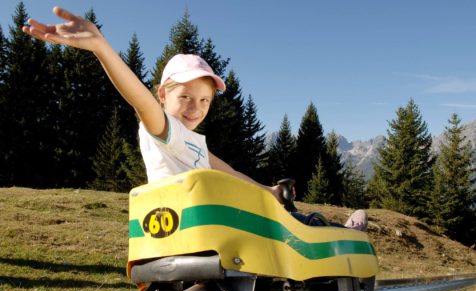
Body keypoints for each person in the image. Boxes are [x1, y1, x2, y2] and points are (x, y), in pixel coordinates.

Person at [22, 7, 367, 232]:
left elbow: (228, 173)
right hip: (188, 228)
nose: (195, 107)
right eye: (184, 97)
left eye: (204, 100)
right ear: (162, 96)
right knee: (294, 226)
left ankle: (327, 230)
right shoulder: (163, 130)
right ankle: (339, 235)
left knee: (285, 217)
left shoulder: (192, 142)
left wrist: (270, 191)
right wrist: (101, 47)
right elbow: (138, 98)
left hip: (203, 225)